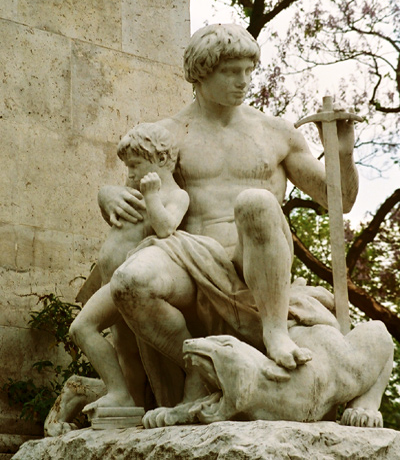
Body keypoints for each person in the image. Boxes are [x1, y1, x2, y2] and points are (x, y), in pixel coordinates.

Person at [99, 24, 358, 398]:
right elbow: (140, 199)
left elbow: (341, 201)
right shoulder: (167, 134)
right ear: (201, 73)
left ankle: (275, 331)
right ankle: (195, 366)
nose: (244, 81)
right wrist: (108, 195)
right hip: (189, 257)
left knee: (255, 201)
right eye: (231, 72)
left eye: (249, 71)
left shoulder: (275, 132)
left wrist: (344, 154)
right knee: (130, 284)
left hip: (252, 258)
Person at [69, 122, 189, 411]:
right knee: (126, 354)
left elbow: (165, 229)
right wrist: (106, 194)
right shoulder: (131, 189)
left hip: (129, 285)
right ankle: (127, 401)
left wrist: (151, 196)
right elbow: (112, 208)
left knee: (82, 327)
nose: (130, 173)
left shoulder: (176, 195)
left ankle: (125, 394)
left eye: (135, 165)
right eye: (128, 167)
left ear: (161, 160)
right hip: (112, 282)